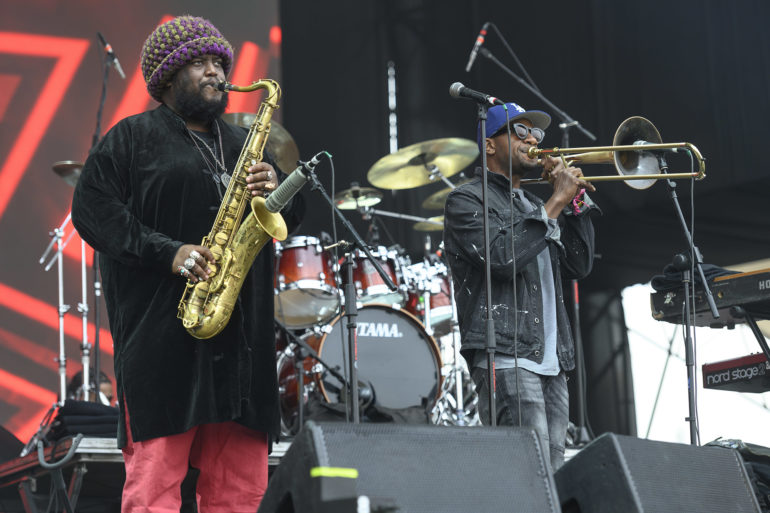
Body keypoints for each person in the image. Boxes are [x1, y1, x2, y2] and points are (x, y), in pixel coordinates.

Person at [71, 15, 303, 512]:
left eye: (220, 62)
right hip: (162, 348)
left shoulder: (243, 144)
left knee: (241, 496)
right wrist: (168, 251)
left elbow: (292, 214)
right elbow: (92, 211)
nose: (216, 72)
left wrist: (279, 188)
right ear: (168, 78)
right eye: (200, 63)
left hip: (241, 353)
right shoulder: (130, 139)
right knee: (154, 492)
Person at [443, 102, 599, 470]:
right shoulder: (466, 199)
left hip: (552, 363)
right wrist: (556, 201)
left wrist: (574, 203)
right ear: (490, 144)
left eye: (536, 133)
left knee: (553, 475)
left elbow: (578, 265)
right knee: (527, 472)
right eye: (520, 132)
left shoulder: (534, 204)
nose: (532, 140)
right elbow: (501, 258)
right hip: (507, 357)